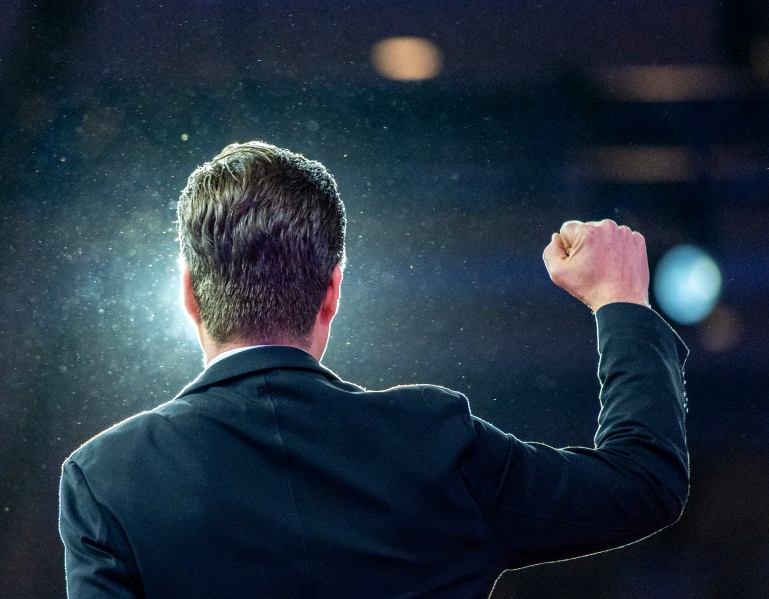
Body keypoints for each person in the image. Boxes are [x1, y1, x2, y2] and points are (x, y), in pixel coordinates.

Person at [59, 141, 689, 598]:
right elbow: (643, 484)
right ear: (332, 290)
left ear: (189, 293)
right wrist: (620, 301)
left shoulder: (107, 480)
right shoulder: (433, 441)